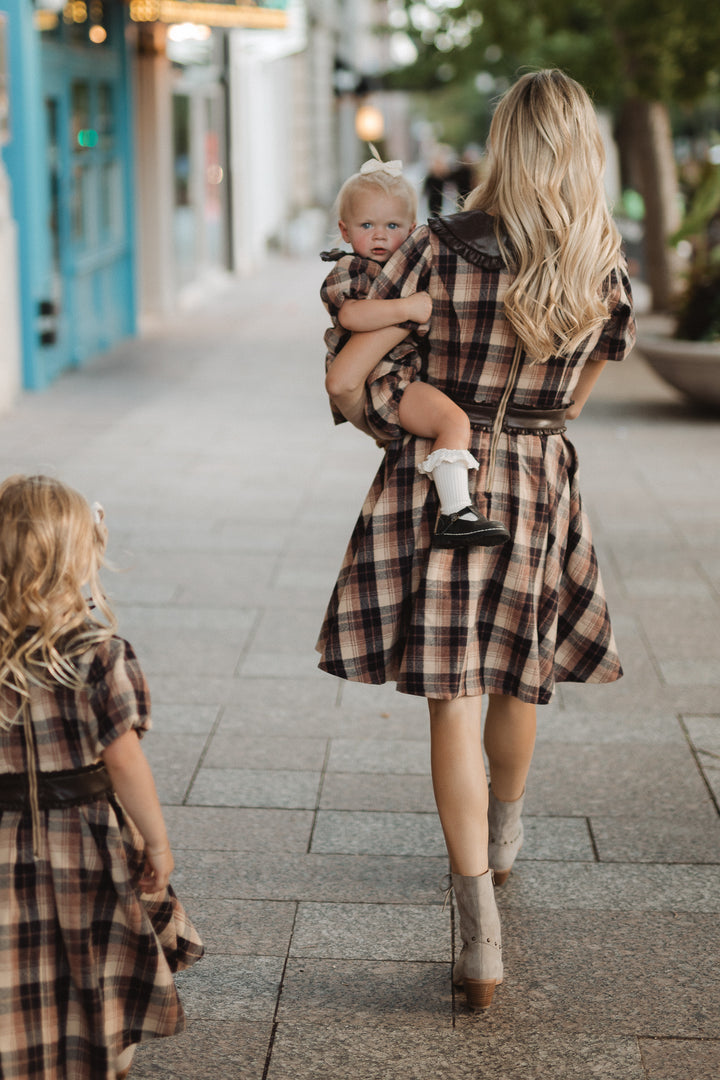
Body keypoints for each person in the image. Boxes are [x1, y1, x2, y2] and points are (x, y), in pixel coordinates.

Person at [317, 70, 636, 1011]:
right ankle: (505, 836)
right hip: (536, 482)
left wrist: (408, 419)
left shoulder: (433, 250)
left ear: (504, 144)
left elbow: (345, 382)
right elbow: (572, 404)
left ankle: (477, 936)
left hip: (441, 487)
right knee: (515, 671)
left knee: (450, 696)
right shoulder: (600, 264)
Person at [0, 475, 204, 1079]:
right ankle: (102, 1057)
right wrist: (156, 841)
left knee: (17, 966)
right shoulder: (98, 652)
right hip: (84, 841)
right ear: (83, 556)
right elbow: (123, 759)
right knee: (94, 958)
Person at [322, 152, 509, 548]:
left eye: (392, 226)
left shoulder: (407, 265)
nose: (379, 236)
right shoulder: (350, 270)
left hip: (398, 377)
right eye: (366, 225)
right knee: (453, 422)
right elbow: (353, 316)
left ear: (411, 230)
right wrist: (408, 307)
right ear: (344, 230)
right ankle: (456, 512)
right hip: (386, 381)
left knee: (448, 420)